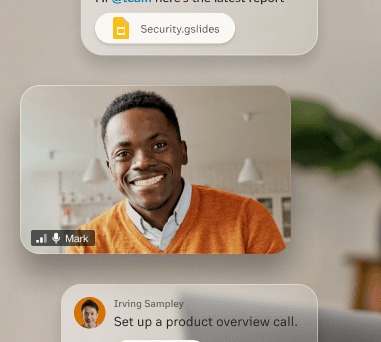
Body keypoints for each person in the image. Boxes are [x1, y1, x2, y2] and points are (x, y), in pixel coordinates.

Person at [69, 91, 286, 254]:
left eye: (159, 145)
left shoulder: (248, 220)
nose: (142, 163)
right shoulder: (85, 246)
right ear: (111, 169)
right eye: (123, 153)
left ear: (182, 152)